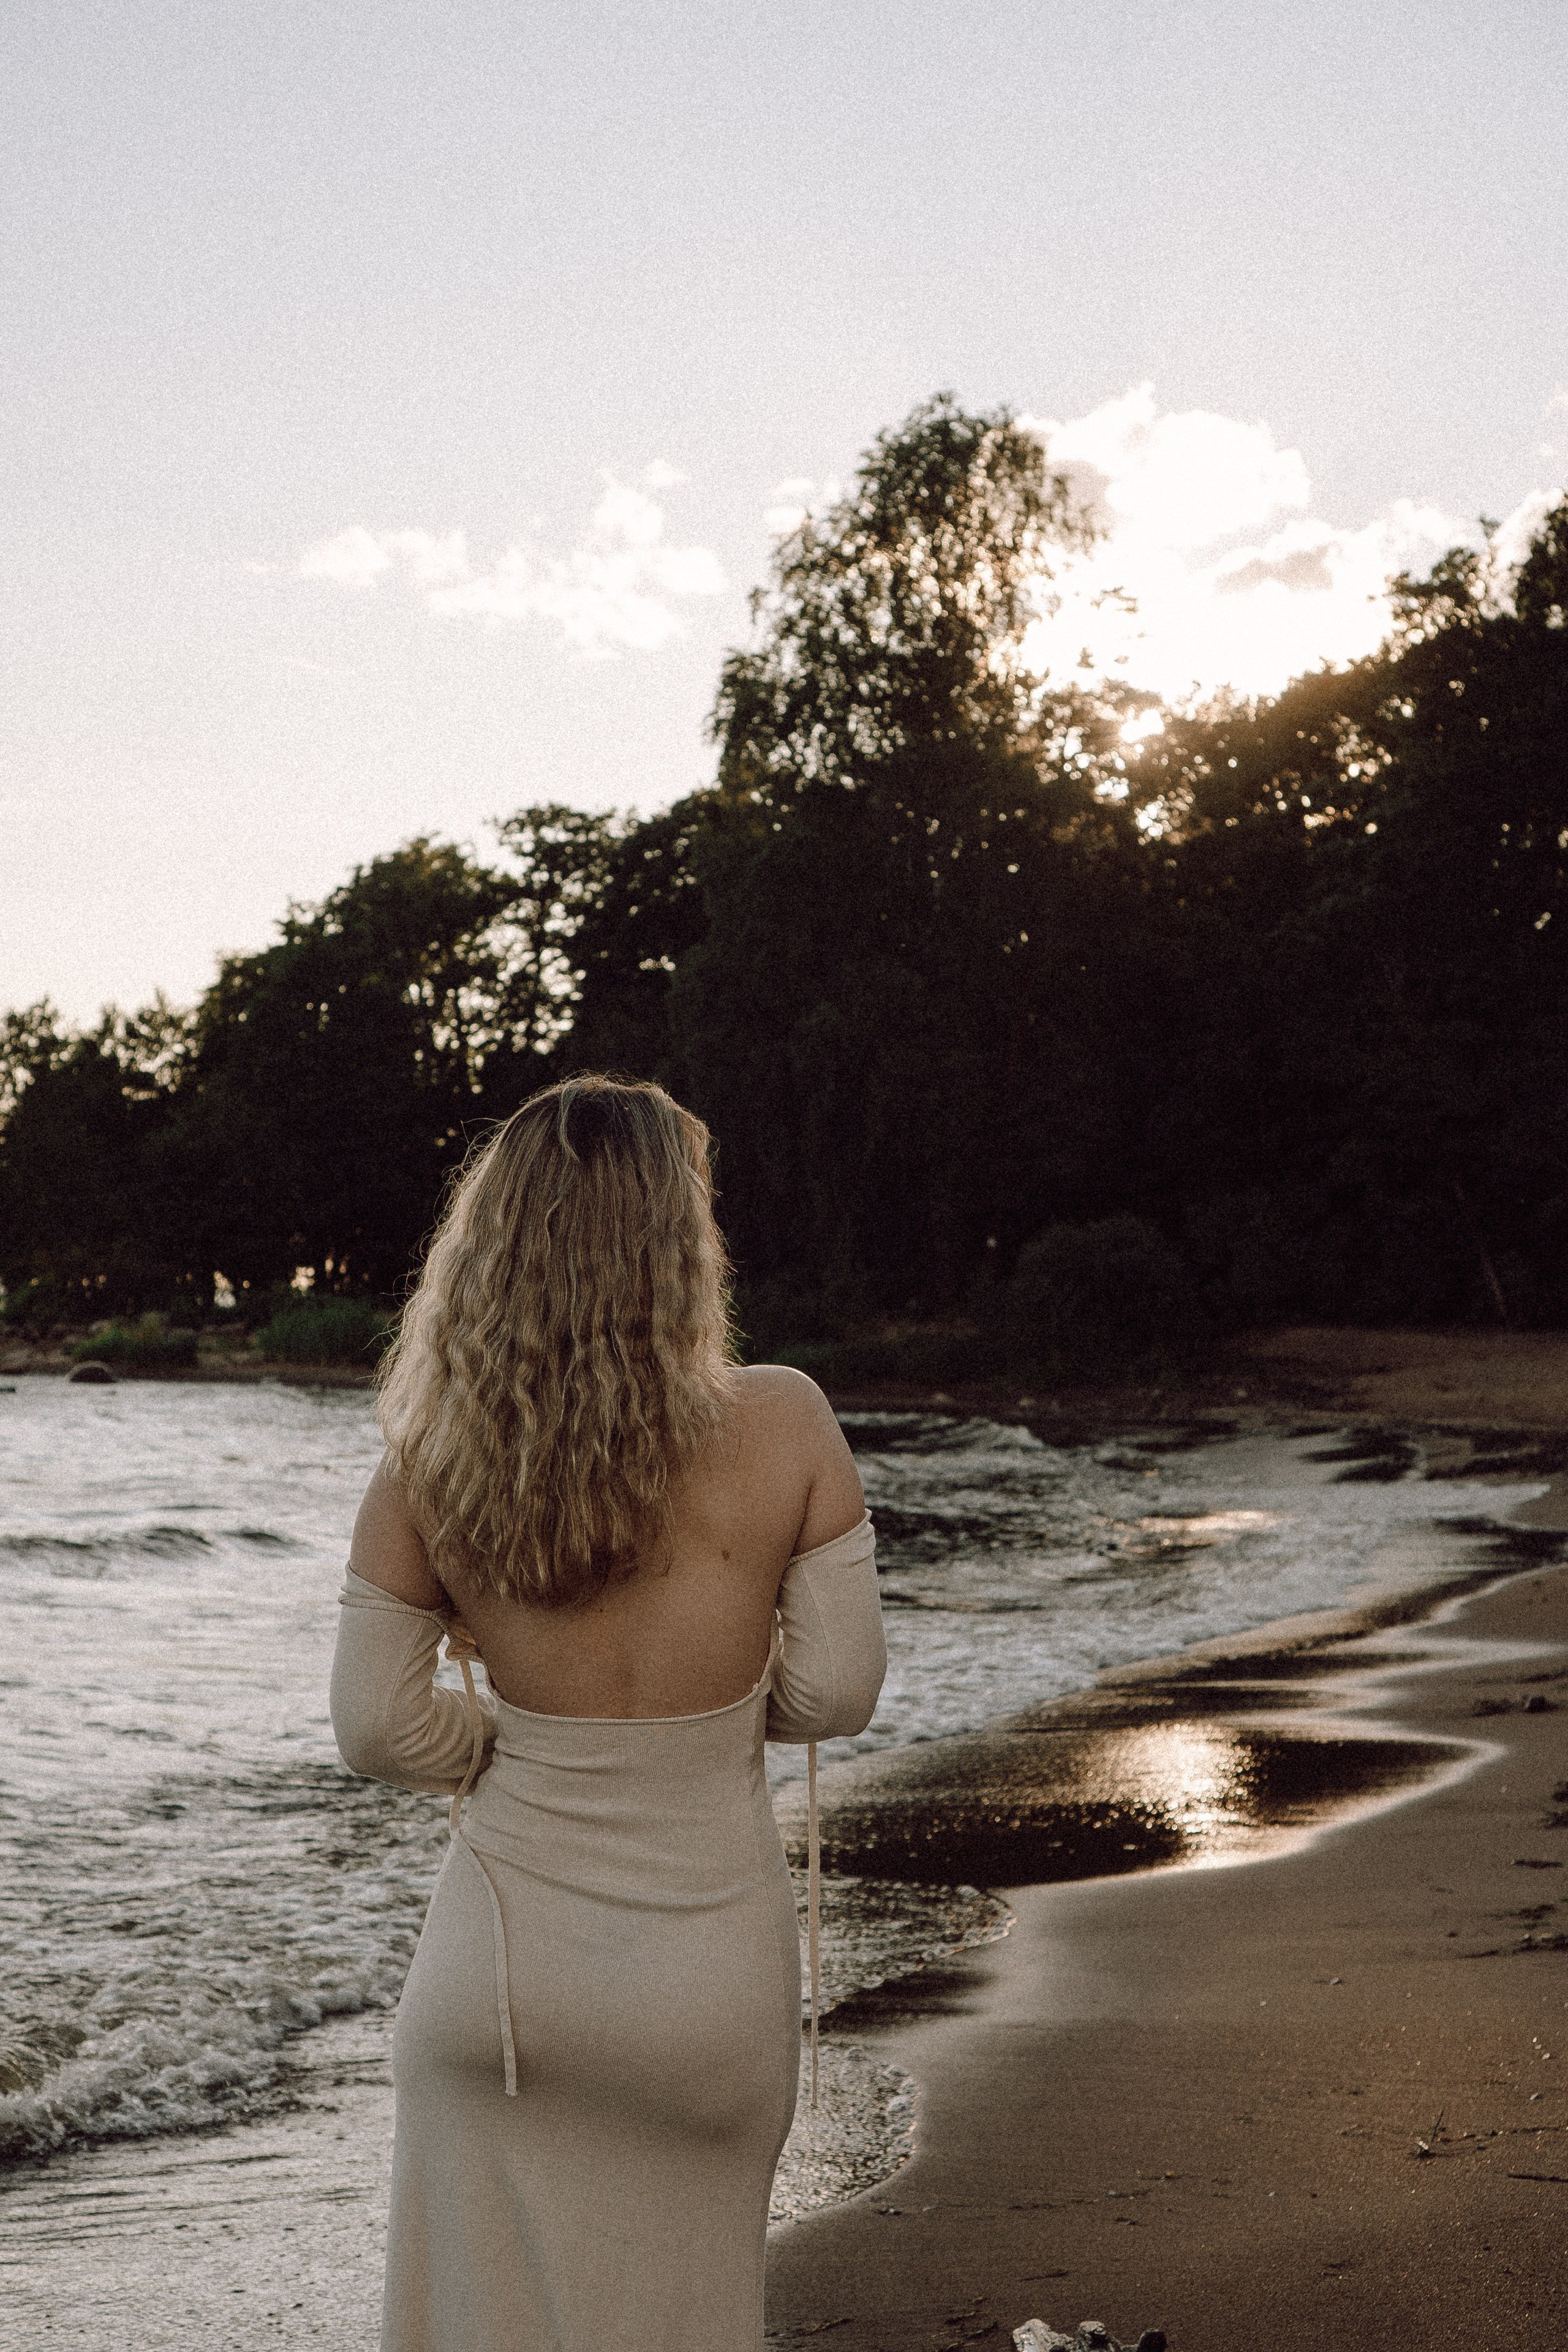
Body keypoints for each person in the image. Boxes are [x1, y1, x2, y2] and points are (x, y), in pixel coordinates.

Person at [330, 1076, 886, 2352]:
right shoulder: (786, 1418)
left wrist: (513, 1740)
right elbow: (833, 1694)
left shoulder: (429, 1456)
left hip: (500, 1992)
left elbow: (372, 1726)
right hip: (700, 1998)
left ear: (495, 1239)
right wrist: (706, 1715)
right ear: (676, 1242)